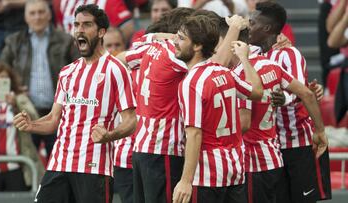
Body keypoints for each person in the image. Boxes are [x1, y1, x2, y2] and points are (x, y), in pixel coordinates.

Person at [13, 4, 137, 203]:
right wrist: (32, 125)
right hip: (59, 164)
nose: (79, 29)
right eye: (76, 24)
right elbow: (54, 119)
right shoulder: (67, 72)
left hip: (94, 166)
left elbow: (131, 120)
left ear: (101, 31)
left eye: (87, 25)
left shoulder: (116, 70)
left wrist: (110, 135)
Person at [172, 15, 264, 203]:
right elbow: (257, 92)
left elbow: (195, 134)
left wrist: (185, 181)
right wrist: (245, 60)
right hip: (235, 169)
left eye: (181, 38)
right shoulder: (224, 72)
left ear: (197, 46)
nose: (175, 41)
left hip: (207, 176)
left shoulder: (191, 83)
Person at [248, 2, 331, 202]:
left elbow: (302, 91)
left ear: (266, 28)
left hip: (297, 142)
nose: (248, 27)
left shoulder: (288, 53)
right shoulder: (252, 55)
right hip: (272, 146)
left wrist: (284, 98)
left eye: (252, 23)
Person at [123, 7, 195, 203]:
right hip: (164, 148)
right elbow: (215, 63)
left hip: (142, 147)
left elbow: (121, 57)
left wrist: (158, 36)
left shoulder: (152, 47)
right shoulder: (175, 54)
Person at [0, 0, 80, 161]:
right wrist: (13, 90)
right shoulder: (14, 41)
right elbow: (1, 72)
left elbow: (80, 70)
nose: (37, 17)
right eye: (32, 13)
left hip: (59, 113)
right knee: (27, 163)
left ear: (49, 15)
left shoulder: (66, 40)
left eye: (41, 12)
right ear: (26, 17)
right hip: (26, 111)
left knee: (62, 163)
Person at [0, 62, 44, 191]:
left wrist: (16, 106)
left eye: (4, 78)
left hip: (18, 166)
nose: (0, 82)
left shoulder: (20, 99)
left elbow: (35, 120)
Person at [52, 0, 135, 43]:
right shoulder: (60, 2)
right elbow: (60, 28)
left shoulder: (107, 1)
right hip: (71, 55)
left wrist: (104, 45)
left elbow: (127, 27)